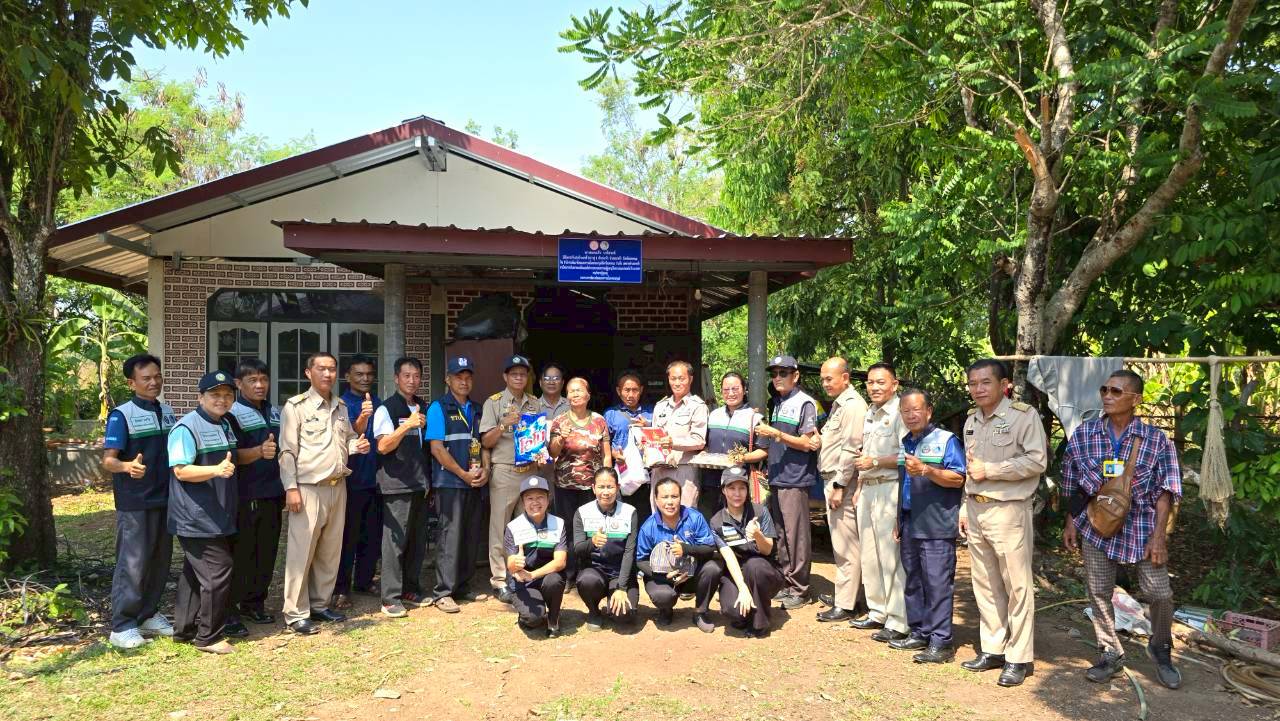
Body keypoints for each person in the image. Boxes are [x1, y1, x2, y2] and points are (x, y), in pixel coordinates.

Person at [1061, 369, 1183, 690]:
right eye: (1104, 390)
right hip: (1096, 526)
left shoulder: (1156, 440)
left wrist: (1160, 535)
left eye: (1116, 391)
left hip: (1143, 528)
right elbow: (1072, 483)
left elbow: (1166, 490)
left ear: (1135, 399)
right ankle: (1109, 652)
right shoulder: (1085, 434)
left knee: (1160, 593)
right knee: (1099, 592)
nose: (1107, 396)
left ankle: (1160, 646)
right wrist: (1071, 521)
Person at [959, 359, 1047, 687]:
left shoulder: (1022, 416)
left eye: (985, 382)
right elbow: (971, 469)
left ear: (1003, 385)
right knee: (985, 584)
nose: (978, 389)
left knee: (1017, 586)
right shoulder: (971, 421)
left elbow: (1037, 460)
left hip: (1009, 511)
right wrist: (964, 509)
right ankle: (993, 648)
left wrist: (992, 471)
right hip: (977, 509)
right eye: (973, 383)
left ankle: (1018, 657)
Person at [167, 371, 263, 654]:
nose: (222, 400)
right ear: (200, 397)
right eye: (214, 395)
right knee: (218, 571)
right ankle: (208, 636)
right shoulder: (186, 427)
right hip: (196, 515)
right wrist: (215, 470)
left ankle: (184, 630)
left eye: (227, 395)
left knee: (194, 573)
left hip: (218, 513)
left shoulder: (224, 424)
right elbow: (181, 470)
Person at [278, 352, 371, 635]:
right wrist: (291, 488)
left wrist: (358, 446)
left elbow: (347, 441)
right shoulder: (296, 407)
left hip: (337, 487)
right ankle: (295, 613)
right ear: (309, 373)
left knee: (329, 553)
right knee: (301, 553)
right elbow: (287, 451)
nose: (327, 374)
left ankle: (319, 604)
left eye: (331, 369)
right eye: (321, 369)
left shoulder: (340, 406)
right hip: (308, 489)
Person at [102, 354, 177, 649]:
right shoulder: (122, 415)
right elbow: (108, 460)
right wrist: (126, 466)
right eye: (146, 378)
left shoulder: (167, 411)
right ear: (131, 382)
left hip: (165, 498)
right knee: (132, 563)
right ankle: (122, 625)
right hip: (135, 501)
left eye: (157, 376)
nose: (154, 382)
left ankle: (147, 614)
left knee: (160, 560)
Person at [893, 389, 966, 663]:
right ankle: (919, 631)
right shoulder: (906, 442)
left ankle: (941, 641)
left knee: (937, 582)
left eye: (916, 410)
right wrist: (898, 518)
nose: (911, 416)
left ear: (929, 411)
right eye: (906, 411)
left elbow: (958, 478)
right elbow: (904, 484)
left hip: (937, 522)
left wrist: (927, 470)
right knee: (913, 579)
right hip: (910, 519)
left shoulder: (946, 440)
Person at [754, 354, 821, 610]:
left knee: (797, 535)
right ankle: (787, 581)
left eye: (784, 373)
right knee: (781, 533)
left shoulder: (805, 403)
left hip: (796, 477)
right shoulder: (778, 403)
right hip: (778, 477)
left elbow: (808, 444)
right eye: (775, 373)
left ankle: (800, 588)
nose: (778, 377)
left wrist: (777, 434)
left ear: (796, 376)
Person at [850, 361, 910, 641]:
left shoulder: (901, 412)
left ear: (895, 384)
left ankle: (898, 620)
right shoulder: (871, 414)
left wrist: (874, 461)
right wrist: (859, 486)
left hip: (889, 488)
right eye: (871, 382)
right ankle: (878, 612)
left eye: (881, 382)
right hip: (869, 489)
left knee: (890, 556)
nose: (874, 387)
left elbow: (906, 456)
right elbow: (865, 453)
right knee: (870, 555)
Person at [224, 359, 283, 637]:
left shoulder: (275, 412)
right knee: (242, 554)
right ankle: (230, 610)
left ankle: (254, 603)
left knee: (266, 552)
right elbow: (231, 455)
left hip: (273, 493)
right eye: (252, 380)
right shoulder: (232, 414)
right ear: (238, 384)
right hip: (246, 495)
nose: (260, 385)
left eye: (263, 379)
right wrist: (259, 451)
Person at [426, 356, 488, 614]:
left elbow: (484, 443)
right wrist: (462, 474)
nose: (464, 381)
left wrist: (486, 469)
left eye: (468, 376)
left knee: (470, 535)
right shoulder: (438, 408)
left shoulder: (477, 408)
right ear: (447, 379)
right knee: (450, 535)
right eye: (458, 377)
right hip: (450, 482)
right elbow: (437, 448)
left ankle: (462, 585)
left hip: (474, 482)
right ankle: (443, 591)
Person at [480, 355, 541, 604]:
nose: (518, 377)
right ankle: (500, 580)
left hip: (529, 471)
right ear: (505, 377)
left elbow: (539, 437)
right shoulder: (493, 403)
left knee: (524, 528)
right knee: (500, 528)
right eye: (513, 373)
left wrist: (541, 449)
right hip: (504, 471)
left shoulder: (534, 403)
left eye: (523, 374)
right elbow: (485, 441)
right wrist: (503, 425)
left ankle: (519, 575)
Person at [698, 465, 786, 638]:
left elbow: (768, 549)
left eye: (742, 488)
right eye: (731, 488)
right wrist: (743, 588)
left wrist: (757, 535)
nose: (737, 494)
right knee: (733, 611)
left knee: (754, 565)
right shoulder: (717, 522)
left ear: (748, 490)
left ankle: (761, 623)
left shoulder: (760, 512)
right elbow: (729, 557)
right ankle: (745, 613)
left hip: (766, 571)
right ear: (723, 490)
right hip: (738, 572)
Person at [373, 357, 431, 616]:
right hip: (396, 485)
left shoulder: (423, 407)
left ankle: (411, 588)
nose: (412, 380)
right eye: (406, 375)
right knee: (394, 542)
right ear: (396, 378)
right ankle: (390, 598)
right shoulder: (386, 408)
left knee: (417, 542)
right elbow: (383, 446)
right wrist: (407, 424)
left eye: (416, 375)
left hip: (419, 484)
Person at [815, 358, 867, 623]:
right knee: (842, 543)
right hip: (833, 479)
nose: (825, 384)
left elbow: (851, 448)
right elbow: (833, 441)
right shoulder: (838, 407)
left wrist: (839, 485)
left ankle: (846, 604)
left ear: (845, 378)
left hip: (840, 482)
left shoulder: (854, 406)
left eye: (829, 379)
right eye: (823, 379)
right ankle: (848, 595)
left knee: (846, 546)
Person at [635, 477, 716, 626]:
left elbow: (709, 548)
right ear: (656, 499)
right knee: (662, 596)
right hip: (663, 577)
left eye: (674, 496)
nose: (670, 502)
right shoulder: (648, 527)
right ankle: (666, 610)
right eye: (664, 497)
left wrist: (686, 549)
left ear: (680, 497)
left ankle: (700, 613)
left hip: (691, 574)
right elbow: (640, 560)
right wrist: (664, 576)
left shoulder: (694, 517)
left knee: (713, 568)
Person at [333, 356, 381, 610]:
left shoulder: (378, 401)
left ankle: (364, 580)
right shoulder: (341, 404)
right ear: (347, 377)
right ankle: (341, 587)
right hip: (351, 481)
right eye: (359, 374)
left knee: (370, 535)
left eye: (369, 374)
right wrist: (362, 417)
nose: (365, 378)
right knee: (347, 537)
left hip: (376, 480)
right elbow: (352, 433)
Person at [572, 467, 640, 630]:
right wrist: (592, 542)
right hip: (595, 571)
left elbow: (629, 551)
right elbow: (578, 549)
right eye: (601, 487)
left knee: (624, 617)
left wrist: (621, 587)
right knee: (587, 580)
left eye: (610, 487)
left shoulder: (630, 512)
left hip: (620, 573)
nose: (606, 492)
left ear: (617, 488)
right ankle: (594, 611)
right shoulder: (582, 512)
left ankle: (613, 602)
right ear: (594, 488)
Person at [504, 475, 568, 637]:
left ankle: (553, 619)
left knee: (555, 579)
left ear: (548, 499)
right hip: (522, 582)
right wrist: (516, 564)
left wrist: (532, 574)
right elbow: (510, 564)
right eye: (529, 498)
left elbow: (560, 562)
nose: (535, 502)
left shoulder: (558, 523)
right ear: (523, 501)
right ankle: (528, 615)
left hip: (544, 577)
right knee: (533, 619)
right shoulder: (514, 527)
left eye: (540, 497)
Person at [700, 372, 767, 522]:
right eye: (726, 390)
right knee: (711, 521)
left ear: (744, 390)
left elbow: (764, 450)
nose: (730, 393)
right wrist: (703, 454)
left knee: (737, 522)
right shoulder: (713, 415)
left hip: (738, 482)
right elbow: (705, 445)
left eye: (735, 389)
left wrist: (743, 458)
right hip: (711, 481)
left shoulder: (754, 418)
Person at [650, 360, 709, 508]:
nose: (677, 383)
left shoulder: (698, 406)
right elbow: (654, 436)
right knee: (658, 515)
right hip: (659, 469)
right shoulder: (660, 406)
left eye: (681, 378)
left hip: (684, 470)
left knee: (685, 515)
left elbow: (699, 440)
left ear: (690, 379)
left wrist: (673, 443)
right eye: (673, 378)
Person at [604, 371, 653, 525]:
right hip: (622, 471)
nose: (630, 394)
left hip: (647, 474)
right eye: (626, 390)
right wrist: (613, 453)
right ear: (619, 391)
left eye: (635, 390)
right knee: (621, 514)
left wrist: (649, 426)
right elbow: (604, 443)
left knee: (645, 514)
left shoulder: (652, 413)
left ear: (641, 390)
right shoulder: (611, 414)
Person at [537, 363, 570, 481]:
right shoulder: (532, 407)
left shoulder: (572, 406)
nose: (551, 382)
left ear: (562, 383)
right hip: (541, 470)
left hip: (568, 470)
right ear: (540, 382)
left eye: (556, 378)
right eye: (547, 378)